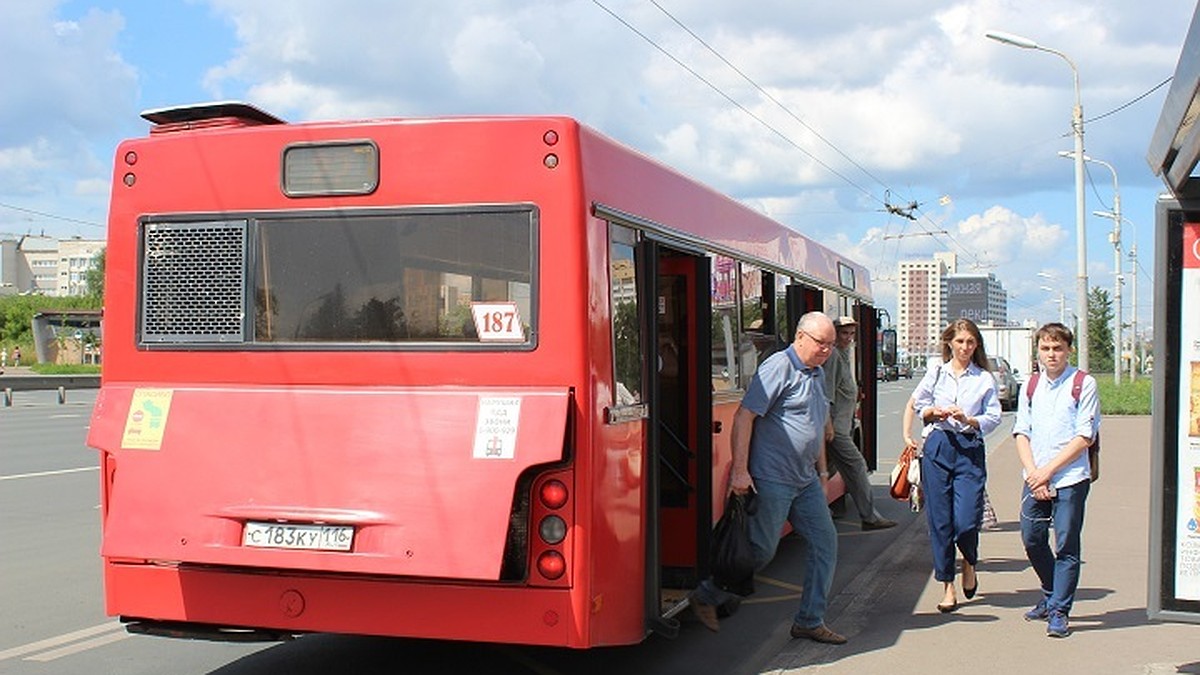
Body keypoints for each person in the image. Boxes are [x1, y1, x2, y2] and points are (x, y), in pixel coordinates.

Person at [690, 311, 847, 644]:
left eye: (831, 345)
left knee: (826, 543)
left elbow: (815, 427)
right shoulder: (779, 367)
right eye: (822, 343)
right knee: (760, 550)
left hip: (804, 480)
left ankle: (809, 620)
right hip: (773, 477)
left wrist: (821, 471)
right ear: (801, 337)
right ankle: (708, 593)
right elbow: (745, 416)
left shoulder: (816, 372)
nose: (827, 351)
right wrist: (740, 470)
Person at [907, 318, 1001, 613]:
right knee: (940, 521)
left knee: (966, 520)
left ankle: (969, 562)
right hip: (938, 446)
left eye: (970, 342)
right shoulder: (937, 373)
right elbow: (918, 403)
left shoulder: (984, 378)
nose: (965, 347)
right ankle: (947, 586)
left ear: (977, 345)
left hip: (969, 448)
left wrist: (969, 420)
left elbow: (994, 416)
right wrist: (931, 412)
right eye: (959, 341)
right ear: (949, 342)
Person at [1013, 322, 1099, 638]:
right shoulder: (1030, 385)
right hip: (1034, 477)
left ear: (1068, 350)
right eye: (1046, 348)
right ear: (1038, 350)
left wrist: (1048, 472)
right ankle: (1050, 592)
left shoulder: (1082, 383)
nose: (1052, 354)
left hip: (1071, 478)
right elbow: (1022, 431)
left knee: (1066, 543)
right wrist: (1035, 474)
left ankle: (1060, 611)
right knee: (1032, 538)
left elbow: (1084, 436)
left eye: (1058, 348)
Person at [824, 315, 896, 531]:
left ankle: (818, 511)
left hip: (842, 426)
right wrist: (827, 424)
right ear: (833, 334)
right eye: (843, 333)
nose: (847, 338)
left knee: (821, 471)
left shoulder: (844, 355)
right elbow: (826, 393)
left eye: (851, 334)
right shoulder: (834, 356)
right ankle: (869, 517)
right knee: (857, 466)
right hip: (836, 429)